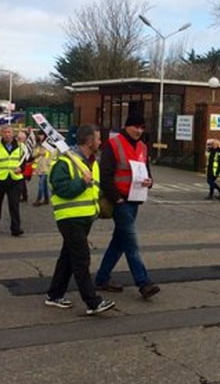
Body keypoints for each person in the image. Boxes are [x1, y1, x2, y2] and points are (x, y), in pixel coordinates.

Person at [45, 124, 115, 316]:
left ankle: (54, 294)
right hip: (69, 217)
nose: (100, 142)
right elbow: (61, 189)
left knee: (68, 257)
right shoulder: (64, 162)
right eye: (98, 138)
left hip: (85, 217)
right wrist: (82, 182)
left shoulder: (92, 163)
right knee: (81, 258)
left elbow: (96, 189)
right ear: (89, 141)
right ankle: (93, 301)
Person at [95, 111, 161, 299]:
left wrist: (150, 182)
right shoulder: (114, 144)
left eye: (142, 127)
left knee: (119, 243)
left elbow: (147, 171)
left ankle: (102, 278)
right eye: (136, 127)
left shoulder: (142, 147)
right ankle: (143, 282)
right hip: (121, 201)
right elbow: (105, 175)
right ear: (127, 126)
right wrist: (116, 198)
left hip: (135, 200)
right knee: (131, 243)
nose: (139, 131)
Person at [0, 125, 24, 236]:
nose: (7, 134)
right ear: (1, 134)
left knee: (14, 204)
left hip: (15, 179)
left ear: (13, 133)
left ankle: (16, 228)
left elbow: (25, 160)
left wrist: (21, 168)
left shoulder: (21, 146)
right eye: (4, 132)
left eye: (9, 132)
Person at [32, 130, 54, 206]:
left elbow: (52, 155)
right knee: (44, 184)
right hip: (39, 167)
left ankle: (39, 199)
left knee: (41, 183)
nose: (40, 136)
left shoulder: (49, 145)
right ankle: (46, 199)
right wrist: (39, 153)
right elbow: (33, 155)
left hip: (46, 167)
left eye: (42, 135)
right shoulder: (37, 145)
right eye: (39, 135)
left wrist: (48, 162)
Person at [16, 130, 32, 202]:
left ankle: (21, 196)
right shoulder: (19, 144)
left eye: (20, 138)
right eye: (19, 138)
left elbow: (29, 157)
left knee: (21, 182)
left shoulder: (26, 146)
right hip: (19, 165)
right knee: (21, 182)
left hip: (24, 166)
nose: (19, 139)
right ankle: (24, 196)